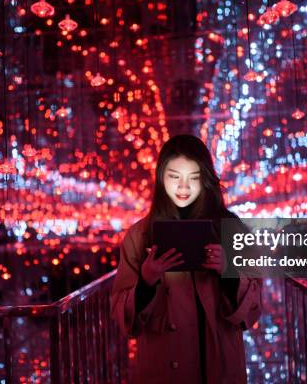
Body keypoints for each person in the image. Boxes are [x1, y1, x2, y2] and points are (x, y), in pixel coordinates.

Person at [110, 134, 262, 384]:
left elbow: (254, 307)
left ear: (206, 179)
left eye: (194, 178)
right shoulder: (140, 235)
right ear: (161, 179)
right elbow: (122, 316)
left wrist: (228, 272)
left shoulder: (231, 228)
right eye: (174, 177)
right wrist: (147, 281)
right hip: (163, 364)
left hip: (219, 362)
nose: (184, 187)